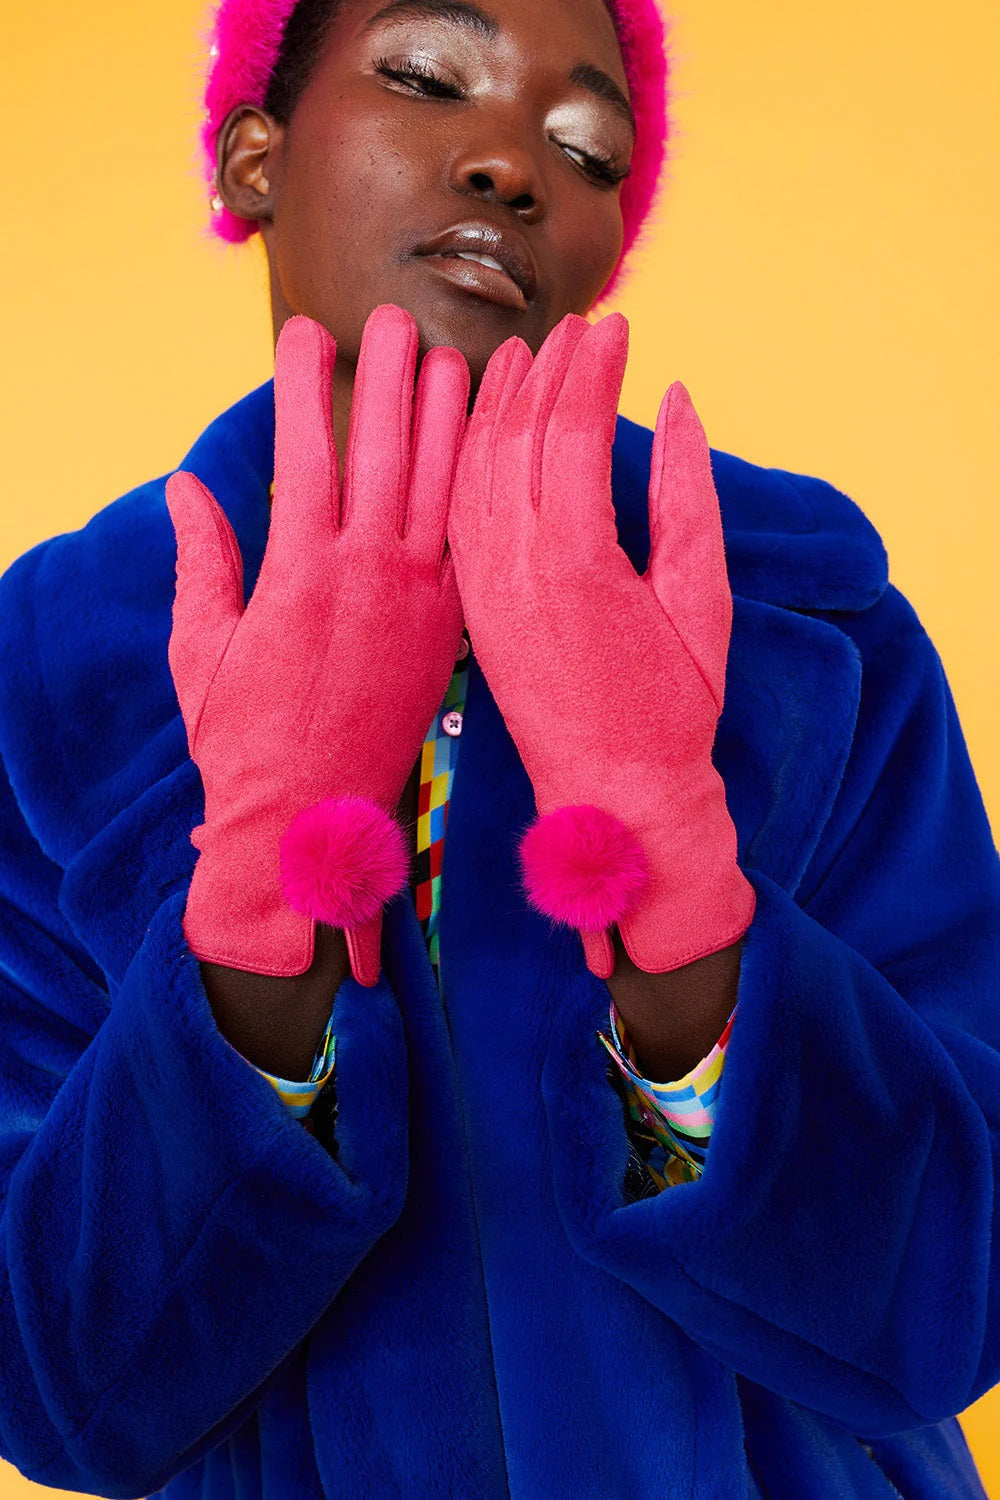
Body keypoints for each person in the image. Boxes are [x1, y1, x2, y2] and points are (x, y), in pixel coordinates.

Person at [0, 0, 996, 1494]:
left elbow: (950, 1308)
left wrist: (664, 853)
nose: (511, 165)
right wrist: (267, 873)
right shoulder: (57, 674)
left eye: (585, 148)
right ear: (254, 156)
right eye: (423, 77)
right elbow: (58, 1390)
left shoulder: (813, 631)